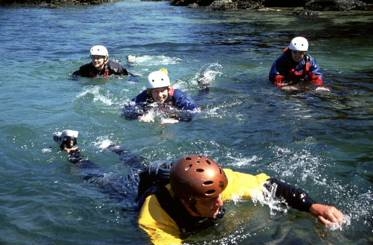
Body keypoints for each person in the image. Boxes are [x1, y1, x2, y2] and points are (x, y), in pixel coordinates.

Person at [53, 131, 347, 245]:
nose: (221, 204)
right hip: (138, 193)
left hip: (174, 174)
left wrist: (312, 206)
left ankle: (117, 146)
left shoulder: (218, 185)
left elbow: (271, 185)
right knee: (97, 178)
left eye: (220, 195)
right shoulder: (154, 217)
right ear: (186, 202)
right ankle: (73, 150)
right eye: (211, 202)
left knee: (142, 162)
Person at [122, 68, 198, 122]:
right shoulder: (145, 95)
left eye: (162, 90)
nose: (159, 95)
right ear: (149, 91)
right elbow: (126, 110)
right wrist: (140, 116)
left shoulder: (178, 96)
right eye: (155, 91)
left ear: (168, 89)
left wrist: (175, 118)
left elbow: (195, 112)